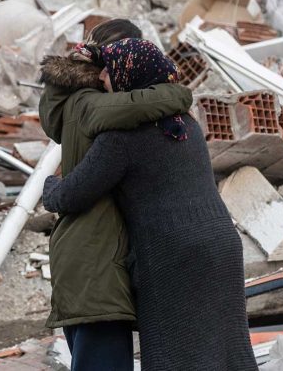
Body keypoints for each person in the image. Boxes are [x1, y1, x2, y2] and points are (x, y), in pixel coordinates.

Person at [42, 38, 260, 370]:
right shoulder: (187, 125)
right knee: (227, 352)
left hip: (172, 255)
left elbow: (72, 195)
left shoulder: (121, 138)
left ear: (127, 76)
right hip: (223, 246)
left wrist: (49, 186)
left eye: (107, 74)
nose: (102, 80)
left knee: (175, 356)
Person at [39, 20, 193, 370]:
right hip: (97, 261)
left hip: (85, 256)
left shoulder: (73, 101)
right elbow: (139, 106)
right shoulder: (92, 104)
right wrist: (177, 93)